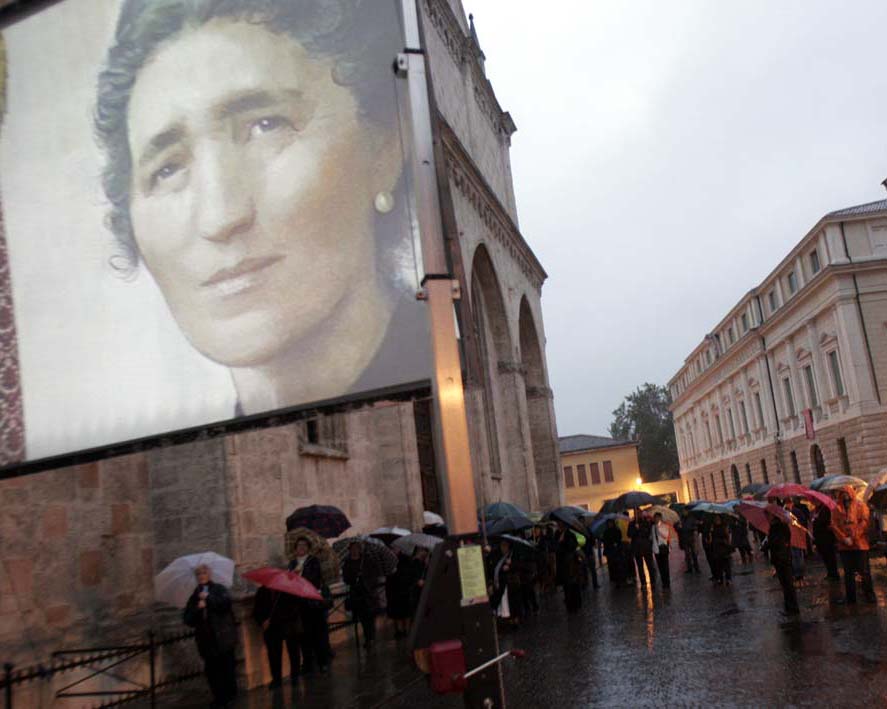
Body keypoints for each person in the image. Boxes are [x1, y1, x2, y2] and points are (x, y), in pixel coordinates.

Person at [94, 0, 425, 416]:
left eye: (266, 126)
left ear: (385, 148)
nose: (221, 217)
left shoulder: (458, 380)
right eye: (168, 168)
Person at [183, 564, 237, 707]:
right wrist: (197, 608)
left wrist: (209, 599)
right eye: (198, 574)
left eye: (204, 573)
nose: (201, 576)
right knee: (212, 672)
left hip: (222, 638)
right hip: (206, 641)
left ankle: (229, 696)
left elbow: (225, 604)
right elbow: (188, 619)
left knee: (227, 669)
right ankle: (218, 697)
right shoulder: (195, 595)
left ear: (209, 574)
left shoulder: (219, 589)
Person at [288, 537, 329, 674]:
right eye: (299, 545)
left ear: (308, 547)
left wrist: (299, 576)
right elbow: (289, 581)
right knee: (303, 635)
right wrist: (292, 576)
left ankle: (322, 661)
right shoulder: (292, 563)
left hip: (312, 603)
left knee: (318, 634)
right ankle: (307, 663)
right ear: (295, 548)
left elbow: (315, 579)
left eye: (304, 545)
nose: (301, 547)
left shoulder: (313, 561)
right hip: (299, 604)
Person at [253, 580, 303, 689]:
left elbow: (295, 607)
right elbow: (256, 611)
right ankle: (276, 679)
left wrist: (281, 616)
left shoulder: (286, 590)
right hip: (271, 629)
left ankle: (295, 675)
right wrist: (262, 621)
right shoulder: (262, 592)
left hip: (287, 625)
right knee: (273, 654)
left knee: (293, 651)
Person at [831, 486, 876, 605]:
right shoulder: (836, 508)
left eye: (846, 493)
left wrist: (853, 537)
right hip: (844, 546)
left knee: (864, 571)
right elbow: (834, 525)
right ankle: (851, 598)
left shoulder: (860, 506)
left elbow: (864, 523)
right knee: (848, 573)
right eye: (842, 493)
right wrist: (844, 538)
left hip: (860, 545)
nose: (845, 496)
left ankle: (869, 595)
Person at [342, 541, 380, 649]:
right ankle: (368, 638)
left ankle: (371, 638)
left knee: (370, 617)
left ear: (359, 549)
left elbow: (374, 575)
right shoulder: (347, 563)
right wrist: (354, 578)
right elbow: (346, 578)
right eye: (352, 548)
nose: (354, 550)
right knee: (363, 618)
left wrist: (366, 580)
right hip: (356, 594)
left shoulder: (367, 560)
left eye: (356, 548)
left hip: (368, 594)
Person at [767, 513, 800, 615]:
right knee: (784, 584)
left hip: (783, 558)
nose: (767, 517)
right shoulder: (774, 527)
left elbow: (780, 541)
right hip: (780, 558)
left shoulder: (779, 527)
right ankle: (789, 606)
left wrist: (769, 543)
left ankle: (793, 608)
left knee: (787, 584)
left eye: (768, 515)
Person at [491, 538, 523, 625]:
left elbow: (519, 565)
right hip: (502, 584)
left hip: (512, 583)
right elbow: (495, 568)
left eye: (505, 545)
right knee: (505, 603)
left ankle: (515, 619)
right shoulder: (497, 556)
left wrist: (511, 565)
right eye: (502, 545)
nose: (503, 548)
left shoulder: (514, 554)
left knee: (514, 602)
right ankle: (508, 619)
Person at [386, 551, 417, 638]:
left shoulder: (406, 560)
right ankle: (400, 631)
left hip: (404, 589)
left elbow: (409, 574)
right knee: (397, 612)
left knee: (406, 612)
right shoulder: (389, 561)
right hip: (394, 590)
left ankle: (406, 630)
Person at [555, 522, 583, 612]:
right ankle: (570, 604)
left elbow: (572, 547)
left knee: (572, 584)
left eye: (560, 525)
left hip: (570, 564)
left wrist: (562, 543)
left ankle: (574, 605)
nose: (559, 527)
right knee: (567, 586)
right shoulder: (558, 534)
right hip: (563, 564)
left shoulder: (570, 535)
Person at [628, 511, 657, 589]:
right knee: (640, 567)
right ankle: (643, 583)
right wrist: (635, 529)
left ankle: (653, 582)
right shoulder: (631, 524)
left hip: (646, 547)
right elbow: (629, 534)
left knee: (650, 566)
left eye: (639, 513)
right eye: (636, 513)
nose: (638, 515)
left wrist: (640, 529)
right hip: (637, 549)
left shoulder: (646, 522)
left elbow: (648, 533)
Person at [812, 504, 840, 581]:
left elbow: (826, 521)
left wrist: (816, 519)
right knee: (825, 556)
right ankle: (830, 572)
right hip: (819, 537)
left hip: (826, 537)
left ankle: (834, 573)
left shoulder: (825, 509)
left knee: (830, 556)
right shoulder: (817, 510)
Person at [710, 515, 734, 586]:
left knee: (726, 564)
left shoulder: (724, 527)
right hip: (716, 547)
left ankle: (728, 578)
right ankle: (720, 578)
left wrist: (729, 546)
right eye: (715, 519)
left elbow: (727, 537)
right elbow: (711, 539)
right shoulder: (712, 527)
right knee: (718, 564)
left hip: (724, 547)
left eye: (718, 519)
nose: (717, 520)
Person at [651, 512, 672, 589]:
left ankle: (667, 582)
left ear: (660, 518)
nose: (656, 519)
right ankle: (664, 582)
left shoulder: (664, 526)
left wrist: (659, 529)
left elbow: (666, 535)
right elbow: (652, 537)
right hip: (656, 549)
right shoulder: (653, 527)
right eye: (655, 518)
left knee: (665, 566)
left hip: (663, 548)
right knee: (660, 567)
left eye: (657, 518)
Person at [602, 518, 625, 587]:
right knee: (612, 566)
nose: (610, 524)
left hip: (617, 551)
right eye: (609, 523)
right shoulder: (606, 532)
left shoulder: (617, 530)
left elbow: (619, 538)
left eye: (611, 523)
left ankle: (619, 579)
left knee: (618, 565)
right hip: (610, 551)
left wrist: (616, 543)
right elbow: (605, 541)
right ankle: (614, 579)